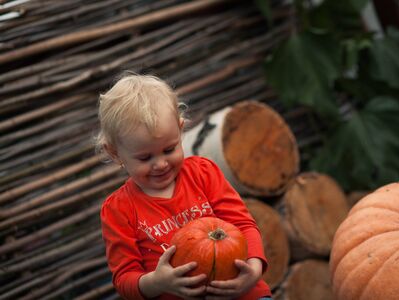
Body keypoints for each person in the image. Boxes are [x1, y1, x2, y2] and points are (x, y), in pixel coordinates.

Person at [96, 72, 272, 300]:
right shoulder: (118, 210)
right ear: (115, 152)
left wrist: (254, 270)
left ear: (180, 130)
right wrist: (157, 282)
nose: (160, 164)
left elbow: (243, 224)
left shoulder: (203, 173)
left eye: (169, 150)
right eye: (144, 158)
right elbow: (124, 279)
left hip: (242, 294)